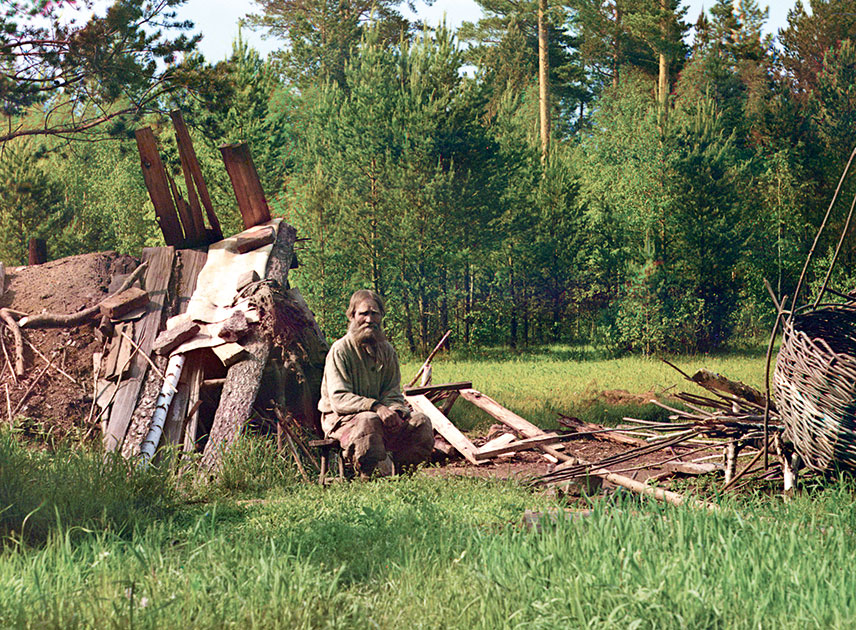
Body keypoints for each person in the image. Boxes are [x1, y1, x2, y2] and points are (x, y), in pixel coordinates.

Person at [318, 289, 434, 478]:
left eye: (375, 313)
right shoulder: (340, 350)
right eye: (363, 313)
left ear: (381, 316)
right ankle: (368, 477)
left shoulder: (387, 351)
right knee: (368, 420)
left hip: (380, 417)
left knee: (421, 422)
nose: (369, 319)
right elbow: (339, 399)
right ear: (352, 316)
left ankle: (402, 476)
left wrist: (395, 412)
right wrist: (376, 407)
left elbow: (393, 392)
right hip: (341, 419)